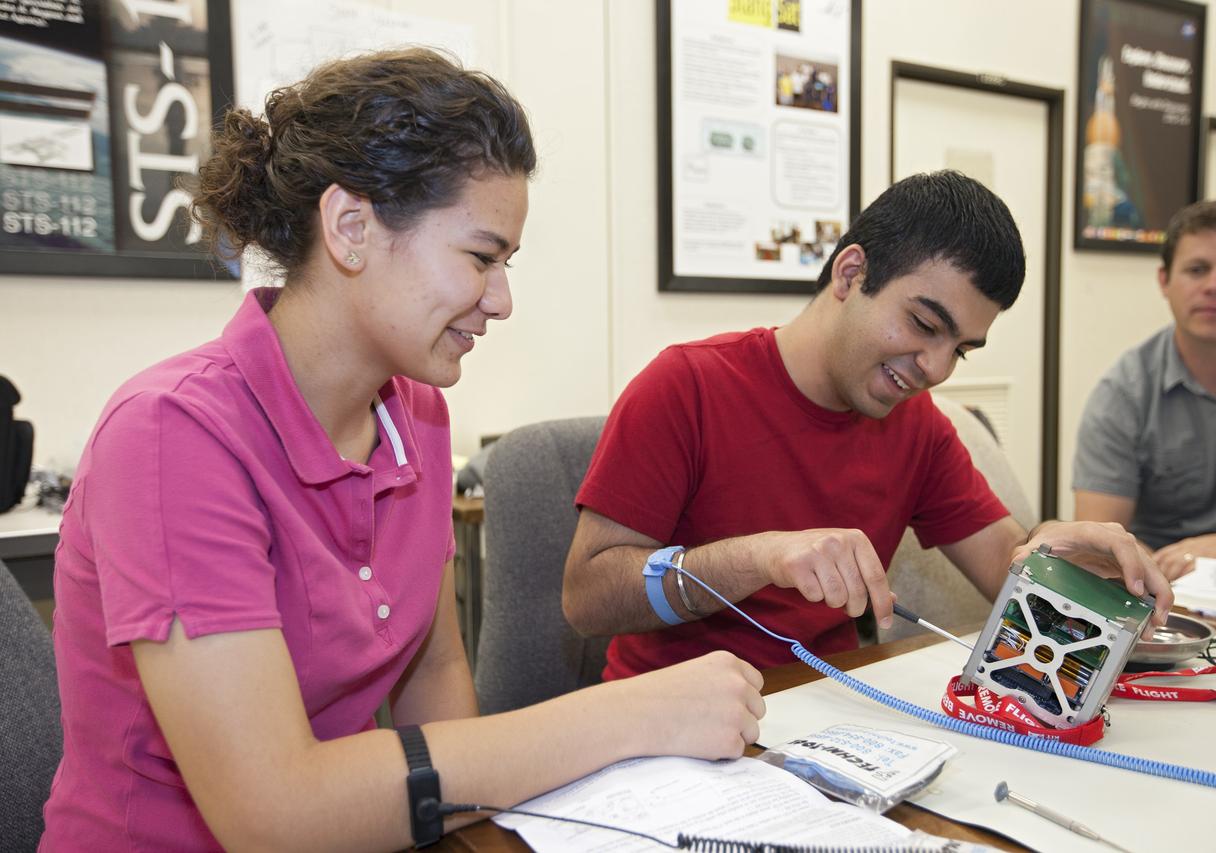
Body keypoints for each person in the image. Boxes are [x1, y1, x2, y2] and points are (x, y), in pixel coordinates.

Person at [40, 48, 765, 852]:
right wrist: (626, 714)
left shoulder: (414, 409)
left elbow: (433, 677)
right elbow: (273, 814)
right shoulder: (171, 435)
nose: (501, 299)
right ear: (351, 226)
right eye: (480, 258)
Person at [562, 171, 1173, 681]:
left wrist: (1060, 558)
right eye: (923, 324)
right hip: (668, 726)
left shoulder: (917, 427)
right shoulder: (686, 386)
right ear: (851, 274)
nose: (936, 368)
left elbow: (1005, 563)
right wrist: (758, 557)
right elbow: (587, 598)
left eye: (960, 349)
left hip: (825, 719)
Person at [1073, 199, 1216, 578]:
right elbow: (1098, 536)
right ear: (1164, 281)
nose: (1215, 286)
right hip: (1165, 593)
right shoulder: (1123, 392)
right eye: (1197, 269)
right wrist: (1170, 572)